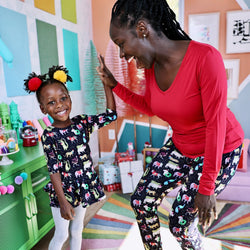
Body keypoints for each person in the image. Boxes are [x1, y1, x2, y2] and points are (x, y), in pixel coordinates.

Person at [97, 0, 244, 249]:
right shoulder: (153, 68)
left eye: (122, 44)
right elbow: (154, 107)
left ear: (142, 29)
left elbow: (215, 125)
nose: (122, 55)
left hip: (219, 148)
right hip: (181, 145)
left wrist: (207, 187)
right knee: (141, 201)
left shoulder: (205, 58)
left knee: (179, 225)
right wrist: (115, 85)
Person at [24, 65, 117, 250]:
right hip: (63, 192)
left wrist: (107, 85)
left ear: (70, 99)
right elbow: (54, 171)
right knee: (62, 234)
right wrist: (63, 202)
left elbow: (110, 115)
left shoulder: (82, 123)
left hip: (82, 186)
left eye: (63, 98)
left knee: (77, 230)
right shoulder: (49, 135)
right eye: (51, 102)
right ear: (43, 109)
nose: (59, 105)